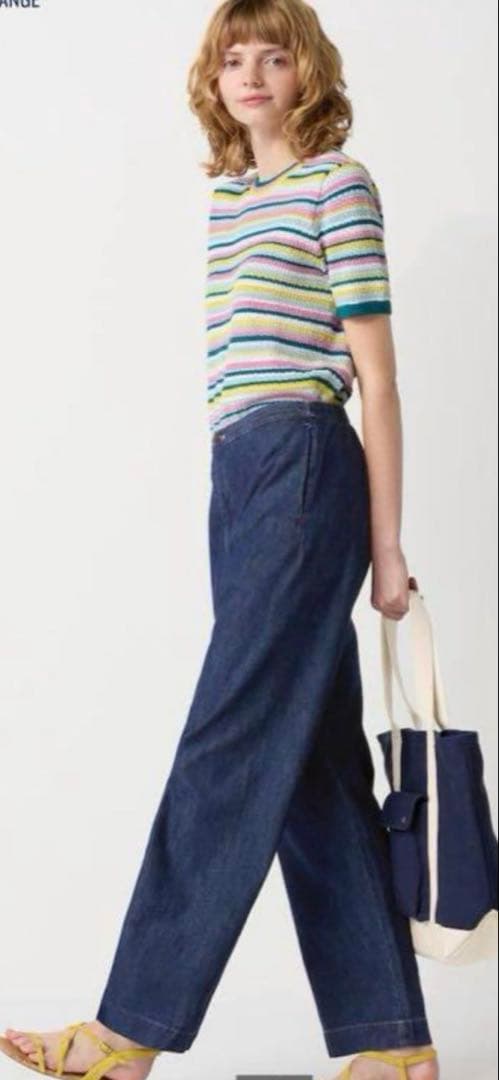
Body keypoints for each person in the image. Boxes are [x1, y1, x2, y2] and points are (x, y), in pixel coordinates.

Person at [0, 2, 440, 1078]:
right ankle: (391, 1047)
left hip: (302, 462)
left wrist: (386, 546)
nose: (251, 73)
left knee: (228, 738)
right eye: (232, 57)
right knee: (309, 763)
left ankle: (129, 1028)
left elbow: (377, 380)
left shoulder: (337, 184)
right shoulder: (232, 200)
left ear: (306, 71)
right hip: (238, 473)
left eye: (273, 55)